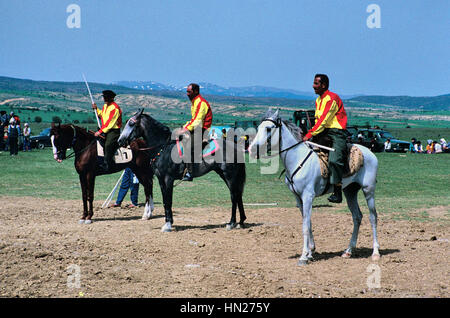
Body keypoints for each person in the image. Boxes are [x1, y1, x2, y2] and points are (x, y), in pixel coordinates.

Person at [303, 74, 348, 203]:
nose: (313, 86)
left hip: (336, 132)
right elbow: (318, 121)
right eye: (314, 83)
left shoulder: (332, 98)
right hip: (322, 132)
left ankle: (337, 191)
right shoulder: (318, 100)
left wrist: (309, 134)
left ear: (324, 85)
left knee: (334, 160)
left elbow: (323, 120)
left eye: (316, 83)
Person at [180, 83, 213, 181]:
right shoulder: (194, 102)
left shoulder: (201, 103)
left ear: (196, 92)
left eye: (189, 92)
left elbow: (198, 121)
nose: (187, 94)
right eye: (187, 91)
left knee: (188, 146)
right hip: (197, 128)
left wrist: (186, 129)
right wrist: (184, 127)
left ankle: (190, 173)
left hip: (202, 130)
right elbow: (193, 119)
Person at [92, 90, 122, 172]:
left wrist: (100, 131)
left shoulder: (115, 108)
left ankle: (108, 163)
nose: (104, 99)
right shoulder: (105, 105)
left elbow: (110, 123)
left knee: (108, 145)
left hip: (113, 131)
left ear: (111, 98)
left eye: (106, 97)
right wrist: (96, 109)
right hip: (105, 129)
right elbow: (102, 115)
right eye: (104, 97)